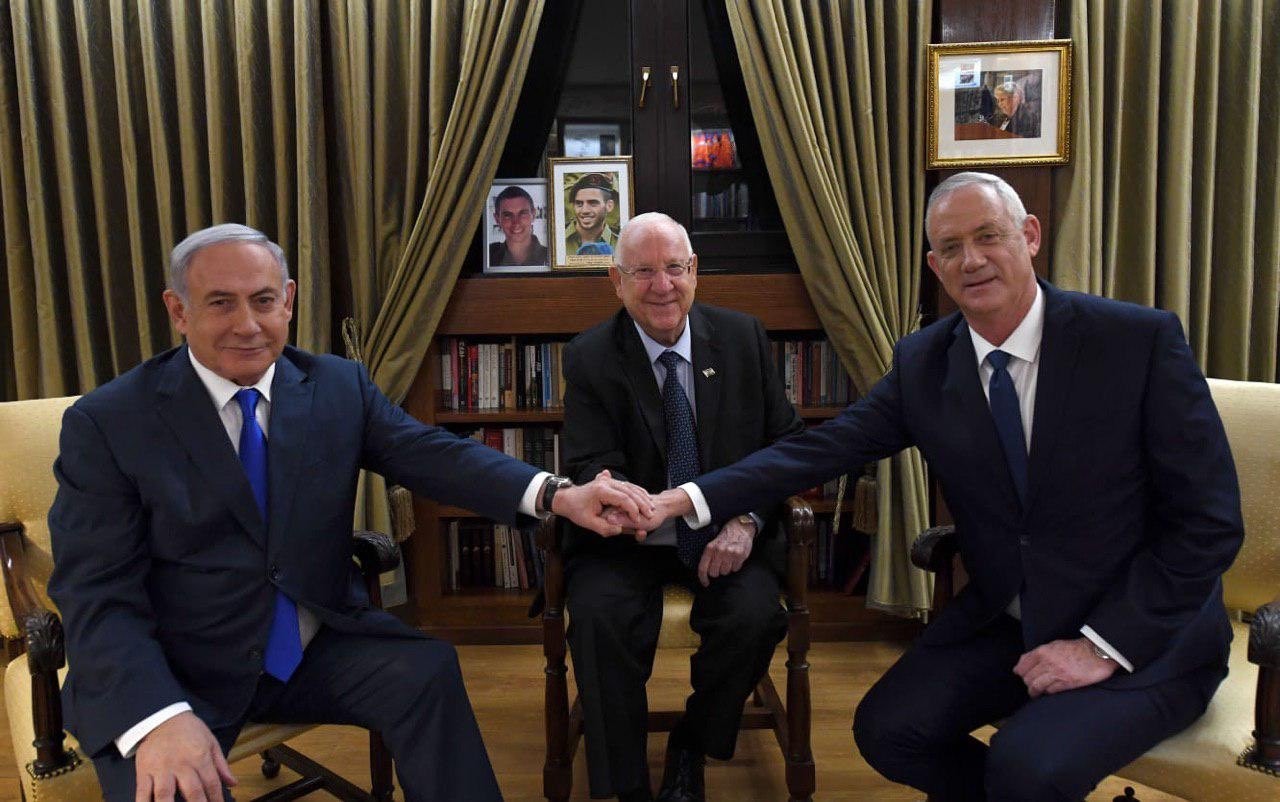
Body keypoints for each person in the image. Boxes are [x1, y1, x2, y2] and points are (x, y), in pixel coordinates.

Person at [648, 173, 1243, 800]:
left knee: (1026, 765)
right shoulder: (925, 362)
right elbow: (819, 449)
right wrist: (684, 499)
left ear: (1030, 236)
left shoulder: (1134, 341)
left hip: (1144, 632)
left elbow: (1210, 522)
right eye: (951, 248)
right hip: (1012, 619)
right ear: (935, 266)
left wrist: (1101, 646)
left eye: (989, 237)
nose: (972, 260)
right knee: (887, 731)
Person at [47, 224, 659, 802]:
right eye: (220, 304)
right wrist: (158, 717)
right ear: (178, 311)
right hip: (174, 671)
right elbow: (97, 592)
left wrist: (558, 494)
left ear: (289, 301)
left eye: (263, 300)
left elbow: (433, 455)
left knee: (425, 671)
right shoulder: (109, 423)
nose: (248, 324)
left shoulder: (336, 387)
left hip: (312, 650)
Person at [560, 212, 803, 802]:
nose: (662, 286)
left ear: (694, 270)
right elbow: (589, 459)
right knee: (596, 616)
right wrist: (623, 500)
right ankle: (625, 782)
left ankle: (693, 743)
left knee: (753, 617)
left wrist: (747, 519)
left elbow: (788, 446)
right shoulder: (590, 355)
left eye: (674, 268)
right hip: (629, 539)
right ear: (616, 281)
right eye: (643, 272)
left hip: (724, 532)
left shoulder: (742, 338)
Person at [488, 185, 548, 267]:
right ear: (497, 219)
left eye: (522, 214)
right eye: (508, 215)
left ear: (533, 215)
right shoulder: (487, 255)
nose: (516, 223)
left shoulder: (551, 256)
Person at [564, 172, 619, 256]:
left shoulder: (621, 244)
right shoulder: (558, 241)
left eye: (593, 203)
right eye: (579, 204)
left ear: (609, 206)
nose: (585, 210)